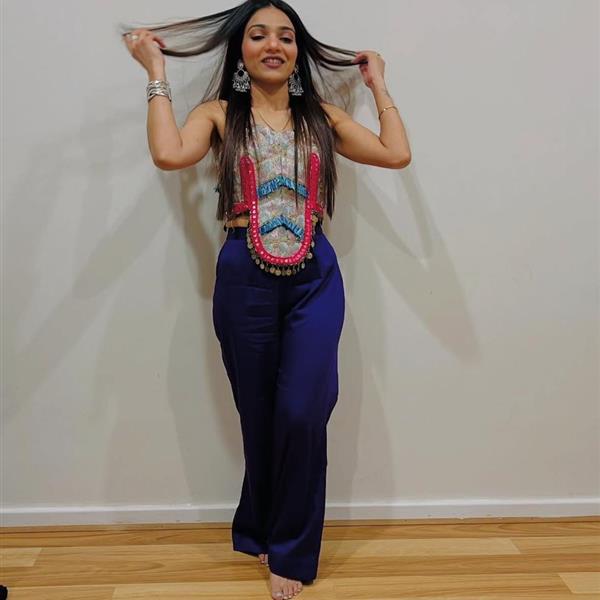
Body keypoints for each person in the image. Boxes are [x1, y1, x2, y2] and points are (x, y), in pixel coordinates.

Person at [122, 1, 411, 598]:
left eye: (285, 36)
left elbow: (395, 153)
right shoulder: (218, 114)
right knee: (258, 414)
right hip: (242, 276)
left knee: (303, 411)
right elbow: (169, 155)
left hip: (315, 276)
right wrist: (155, 72)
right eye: (258, 35)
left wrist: (378, 84)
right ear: (241, 51)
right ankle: (258, 524)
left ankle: (292, 550)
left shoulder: (322, 117)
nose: (273, 45)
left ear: (298, 52)